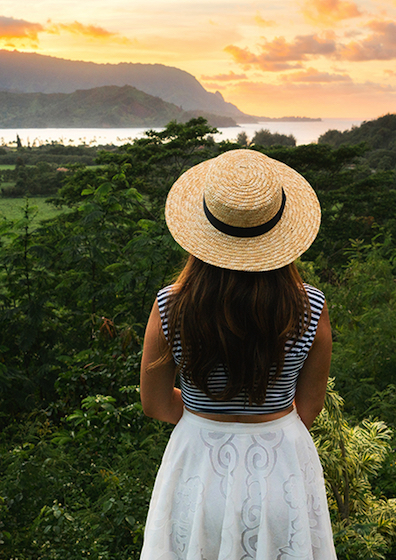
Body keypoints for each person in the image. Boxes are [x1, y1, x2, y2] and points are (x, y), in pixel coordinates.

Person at [139, 148, 337, 560]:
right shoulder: (310, 308)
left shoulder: (170, 307)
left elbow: (155, 403)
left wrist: (205, 414)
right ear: (281, 234)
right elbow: (310, 407)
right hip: (282, 468)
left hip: (199, 468)